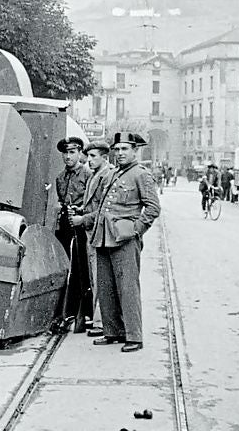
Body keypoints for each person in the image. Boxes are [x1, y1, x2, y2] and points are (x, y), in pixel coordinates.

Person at [90, 132, 160, 353]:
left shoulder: (141, 175)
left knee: (128, 288)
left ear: (134, 151)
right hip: (104, 237)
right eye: (117, 149)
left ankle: (134, 336)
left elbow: (153, 208)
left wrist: (135, 230)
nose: (120, 153)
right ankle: (113, 332)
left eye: (125, 149)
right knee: (106, 288)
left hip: (125, 240)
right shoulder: (112, 174)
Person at [75, 139, 114, 337]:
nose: (88, 160)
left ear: (104, 157)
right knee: (93, 276)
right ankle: (98, 318)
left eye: (93, 156)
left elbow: (103, 209)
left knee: (100, 278)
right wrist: (82, 209)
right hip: (91, 232)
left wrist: (83, 218)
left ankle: (102, 322)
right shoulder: (95, 175)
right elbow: (93, 203)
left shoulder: (107, 176)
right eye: (88, 156)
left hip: (100, 233)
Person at [54, 136, 92, 333]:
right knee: (67, 268)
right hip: (66, 226)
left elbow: (93, 202)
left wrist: (80, 210)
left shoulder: (88, 175)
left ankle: (85, 314)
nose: (67, 157)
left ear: (79, 153)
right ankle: (66, 312)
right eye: (65, 153)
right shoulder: (60, 178)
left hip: (82, 227)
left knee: (82, 270)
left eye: (72, 152)